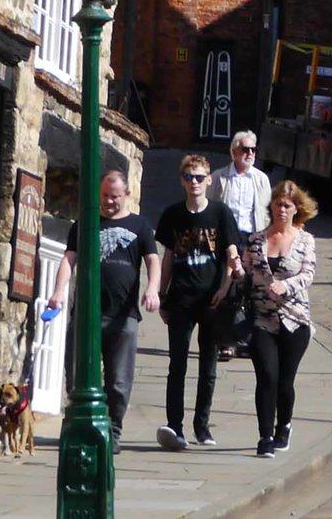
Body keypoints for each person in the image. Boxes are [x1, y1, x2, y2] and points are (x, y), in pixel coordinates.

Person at [45, 167, 159, 448]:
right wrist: (59, 291)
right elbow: (69, 259)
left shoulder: (140, 226)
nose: (110, 201)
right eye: (105, 196)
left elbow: (153, 260)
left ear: (127, 195)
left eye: (115, 196)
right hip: (86, 314)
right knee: (78, 378)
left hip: (123, 317)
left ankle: (113, 432)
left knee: (119, 382)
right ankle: (77, 428)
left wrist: (153, 288)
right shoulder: (85, 223)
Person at [152, 154, 244, 450]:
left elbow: (231, 251)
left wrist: (229, 280)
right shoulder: (172, 215)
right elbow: (167, 257)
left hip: (211, 301)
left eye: (200, 177)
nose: (195, 182)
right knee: (177, 364)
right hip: (180, 298)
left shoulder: (220, 213)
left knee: (209, 366)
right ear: (182, 180)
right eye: (190, 177)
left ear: (209, 180)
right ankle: (175, 426)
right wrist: (161, 294)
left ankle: (202, 426)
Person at [241, 179, 318, 457]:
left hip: (295, 319)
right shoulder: (256, 240)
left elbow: (308, 274)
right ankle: (264, 437)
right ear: (271, 207)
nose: (281, 210)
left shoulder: (305, 240)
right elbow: (246, 272)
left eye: (287, 206)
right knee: (267, 376)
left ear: (296, 208)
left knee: (285, 381)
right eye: (277, 205)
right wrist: (235, 272)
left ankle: (283, 424)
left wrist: (287, 286)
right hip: (263, 317)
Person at [212, 132, 270, 359]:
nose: (250, 154)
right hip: (228, 238)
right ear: (234, 151)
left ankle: (251, 340)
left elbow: (267, 213)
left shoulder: (261, 179)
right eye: (245, 149)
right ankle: (225, 341)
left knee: (253, 290)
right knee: (228, 288)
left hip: (253, 238)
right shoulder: (220, 178)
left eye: (253, 150)